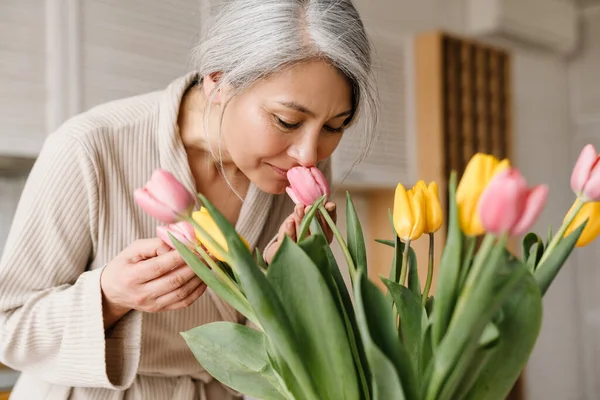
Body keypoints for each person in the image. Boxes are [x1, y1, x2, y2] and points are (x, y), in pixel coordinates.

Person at [0, 0, 379, 398]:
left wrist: (292, 276)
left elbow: (282, 355)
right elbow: (8, 325)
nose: (309, 153)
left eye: (336, 126)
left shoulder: (298, 174)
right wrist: (109, 297)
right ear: (218, 80)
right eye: (287, 121)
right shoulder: (89, 147)